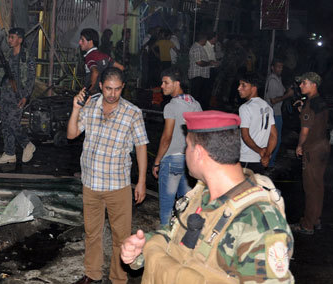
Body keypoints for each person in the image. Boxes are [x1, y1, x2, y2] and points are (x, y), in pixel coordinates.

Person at [120, 110, 294, 283]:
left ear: (199, 153)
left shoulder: (260, 223)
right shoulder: (200, 196)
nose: (185, 152)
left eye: (187, 146)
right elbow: (175, 238)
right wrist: (142, 248)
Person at [67, 67, 148, 284]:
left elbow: (141, 147)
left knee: (121, 237)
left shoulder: (132, 112)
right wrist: (75, 109)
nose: (112, 94)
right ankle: (92, 274)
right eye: (109, 89)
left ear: (123, 88)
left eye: (118, 89)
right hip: (91, 183)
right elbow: (72, 134)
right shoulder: (91, 104)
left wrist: (140, 181)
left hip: (118, 185)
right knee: (92, 233)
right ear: (101, 86)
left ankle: (118, 279)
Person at [153, 67, 201, 226]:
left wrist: (157, 161)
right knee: (186, 206)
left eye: (166, 82)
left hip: (171, 160)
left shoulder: (171, 106)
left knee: (166, 208)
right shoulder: (195, 103)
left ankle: (164, 241)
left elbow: (166, 138)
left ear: (177, 83)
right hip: (189, 161)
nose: (162, 86)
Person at [291, 72, 330, 234]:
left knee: (310, 187)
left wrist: (300, 145)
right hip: (323, 146)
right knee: (318, 185)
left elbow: (305, 131)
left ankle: (307, 224)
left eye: (304, 83)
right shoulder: (320, 102)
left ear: (314, 84)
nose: (300, 86)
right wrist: (303, 110)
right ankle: (316, 219)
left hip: (312, 149)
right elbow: (315, 120)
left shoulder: (310, 104)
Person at [0, 28, 37, 164]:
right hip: (5, 94)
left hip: (18, 94)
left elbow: (31, 79)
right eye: (9, 37)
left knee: (13, 123)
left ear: (20, 40)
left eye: (12, 37)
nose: (9, 40)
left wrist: (25, 96)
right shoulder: (7, 54)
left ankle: (27, 144)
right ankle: (10, 153)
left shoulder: (27, 57)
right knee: (5, 124)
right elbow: (1, 76)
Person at [238, 72, 278, 173]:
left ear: (253, 88)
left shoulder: (245, 108)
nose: (239, 88)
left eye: (243, 85)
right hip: (261, 160)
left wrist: (261, 151)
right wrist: (267, 154)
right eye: (239, 84)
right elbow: (273, 135)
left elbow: (245, 136)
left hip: (247, 158)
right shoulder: (267, 107)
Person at [264, 59, 295, 168]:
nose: (280, 69)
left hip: (277, 113)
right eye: (278, 67)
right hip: (272, 114)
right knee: (274, 140)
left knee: (275, 139)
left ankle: (269, 162)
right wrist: (288, 95)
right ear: (272, 67)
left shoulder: (278, 79)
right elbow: (273, 100)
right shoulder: (272, 80)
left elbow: (282, 92)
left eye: (281, 67)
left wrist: (289, 90)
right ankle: (268, 163)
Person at [78, 28, 124, 94]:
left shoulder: (90, 56)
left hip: (93, 94)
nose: (80, 42)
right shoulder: (104, 55)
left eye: (82, 40)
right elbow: (121, 67)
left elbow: (95, 72)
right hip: (104, 93)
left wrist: (90, 90)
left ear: (90, 42)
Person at [188, 32, 218, 110]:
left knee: (199, 95)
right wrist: (209, 63)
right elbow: (199, 62)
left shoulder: (200, 47)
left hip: (200, 75)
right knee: (196, 95)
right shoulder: (197, 48)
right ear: (203, 39)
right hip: (197, 75)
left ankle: (198, 111)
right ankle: (193, 112)